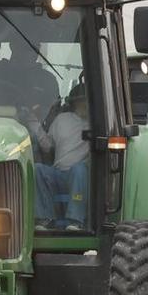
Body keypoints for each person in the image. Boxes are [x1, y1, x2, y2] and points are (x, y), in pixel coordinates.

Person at [35, 81, 91, 228]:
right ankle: (44, 218)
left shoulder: (97, 124)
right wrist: (33, 123)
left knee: (79, 169)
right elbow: (47, 146)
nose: (86, 104)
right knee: (38, 169)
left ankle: (75, 221)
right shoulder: (62, 120)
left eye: (88, 100)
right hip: (57, 174)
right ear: (75, 103)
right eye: (83, 101)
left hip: (79, 177)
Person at [0, 40, 58, 113]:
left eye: (35, 47)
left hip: (32, 132)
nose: (31, 51)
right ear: (13, 46)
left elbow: (54, 112)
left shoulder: (47, 80)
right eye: (26, 47)